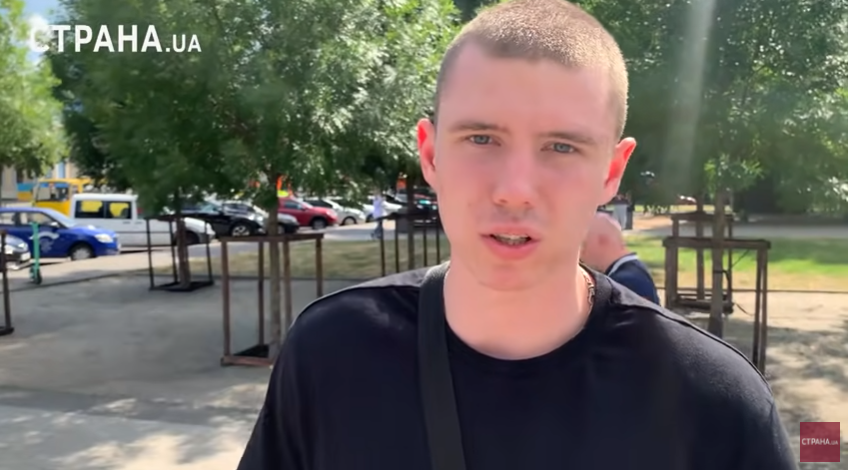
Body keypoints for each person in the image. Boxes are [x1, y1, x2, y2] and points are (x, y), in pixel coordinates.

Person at [236, 1, 795, 469]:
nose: (514, 191)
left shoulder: (714, 403)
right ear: (430, 154)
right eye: (482, 139)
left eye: (561, 147)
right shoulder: (331, 356)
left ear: (611, 171)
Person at [582, 212, 660, 303]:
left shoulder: (625, 283)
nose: (580, 254)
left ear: (603, 241)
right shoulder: (632, 273)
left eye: (584, 245)